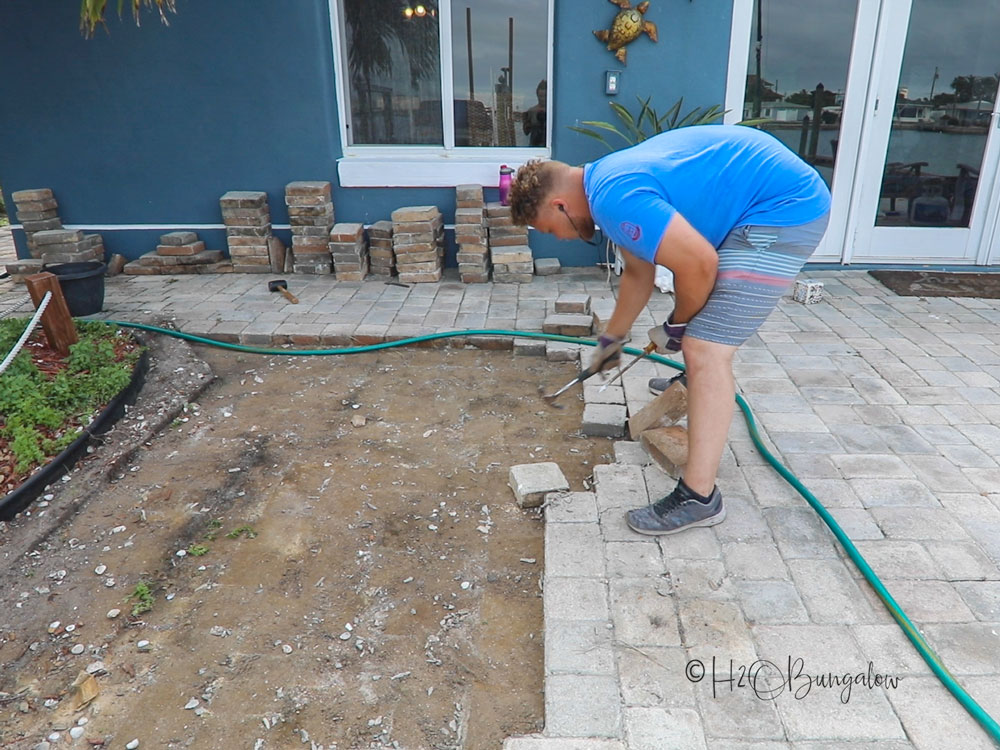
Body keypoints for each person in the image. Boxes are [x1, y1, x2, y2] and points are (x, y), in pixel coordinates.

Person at [509, 124, 830, 536]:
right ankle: (693, 381)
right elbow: (639, 274)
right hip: (767, 200)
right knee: (697, 338)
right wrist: (611, 340)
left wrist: (676, 327)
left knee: (705, 349)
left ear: (558, 205)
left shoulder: (613, 196)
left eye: (555, 229)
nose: (564, 238)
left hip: (783, 210)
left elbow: (699, 266)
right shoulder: (605, 182)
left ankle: (700, 497)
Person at [522, 80, 547, 147]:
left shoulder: (552, 112)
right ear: (537, 95)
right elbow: (526, 132)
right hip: (534, 145)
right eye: (540, 96)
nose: (542, 99)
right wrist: (526, 121)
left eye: (544, 96)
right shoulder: (531, 111)